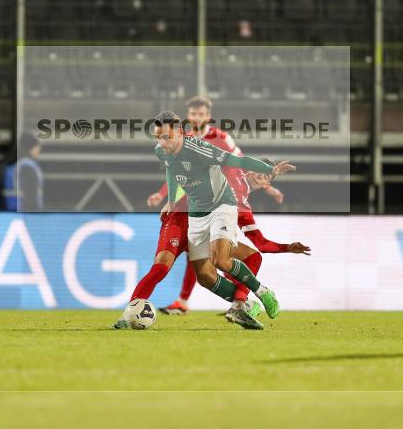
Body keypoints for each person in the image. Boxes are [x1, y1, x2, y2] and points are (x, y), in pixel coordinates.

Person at [125, 112, 293, 328]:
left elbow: (238, 160)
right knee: (204, 276)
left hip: (221, 206)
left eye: (165, 137)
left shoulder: (200, 150)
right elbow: (172, 171)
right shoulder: (161, 151)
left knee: (220, 260)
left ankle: (262, 292)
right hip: (196, 213)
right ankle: (243, 305)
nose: (161, 143)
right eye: (158, 137)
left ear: (179, 132)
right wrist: (171, 201)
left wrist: (270, 169)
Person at [2, 133, 44, 211]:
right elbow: (30, 193)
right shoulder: (27, 165)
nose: (38, 151)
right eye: (37, 148)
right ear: (31, 148)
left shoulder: (12, 163)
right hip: (24, 211)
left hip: (10, 208)